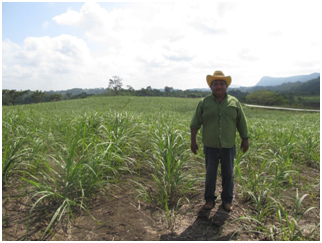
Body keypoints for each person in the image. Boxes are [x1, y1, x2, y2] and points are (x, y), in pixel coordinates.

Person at [190, 70, 249, 211]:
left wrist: (245, 139)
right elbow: (195, 123)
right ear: (211, 87)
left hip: (228, 145)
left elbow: (242, 122)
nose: (219, 87)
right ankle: (209, 200)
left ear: (226, 86)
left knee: (228, 174)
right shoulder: (204, 103)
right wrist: (193, 141)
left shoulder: (234, 102)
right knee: (210, 174)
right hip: (210, 145)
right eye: (215, 84)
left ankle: (227, 200)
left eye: (221, 84)